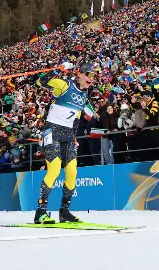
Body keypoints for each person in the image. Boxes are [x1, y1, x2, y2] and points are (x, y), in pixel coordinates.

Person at [33, 63, 96, 224]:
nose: (91, 78)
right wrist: (57, 69)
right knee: (54, 169)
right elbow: (41, 81)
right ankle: (40, 213)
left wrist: (74, 136)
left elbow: (76, 118)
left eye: (94, 76)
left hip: (68, 135)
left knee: (72, 172)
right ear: (79, 74)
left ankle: (64, 212)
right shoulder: (65, 85)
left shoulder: (83, 96)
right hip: (52, 131)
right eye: (89, 74)